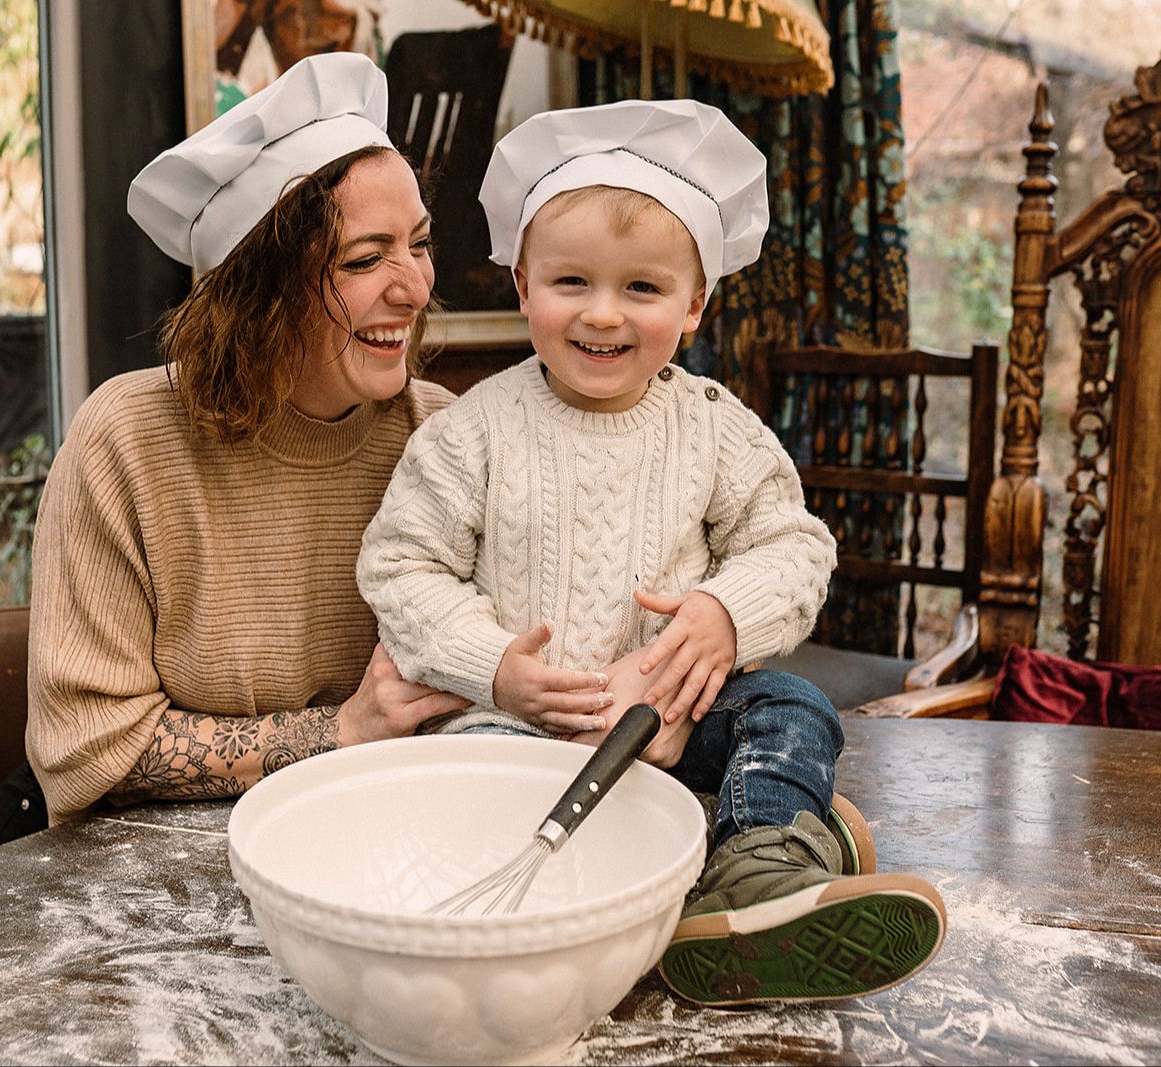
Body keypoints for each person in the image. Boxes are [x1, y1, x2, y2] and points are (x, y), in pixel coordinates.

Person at [357, 99, 947, 1007]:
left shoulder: (712, 427)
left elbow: (794, 545)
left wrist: (722, 616)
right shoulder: (472, 431)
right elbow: (401, 566)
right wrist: (497, 669)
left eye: (642, 288)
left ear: (695, 302)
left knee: (792, 709)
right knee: (469, 796)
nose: (603, 313)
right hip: (516, 728)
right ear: (522, 284)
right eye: (571, 281)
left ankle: (758, 877)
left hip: (677, 718)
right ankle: (728, 854)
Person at [23, 51, 468, 827]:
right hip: (142, 862)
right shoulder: (125, 442)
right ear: (259, 290)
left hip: (369, 834)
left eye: (420, 244)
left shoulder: (442, 436)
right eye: (366, 258)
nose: (415, 286)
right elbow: (86, 748)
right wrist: (341, 730)